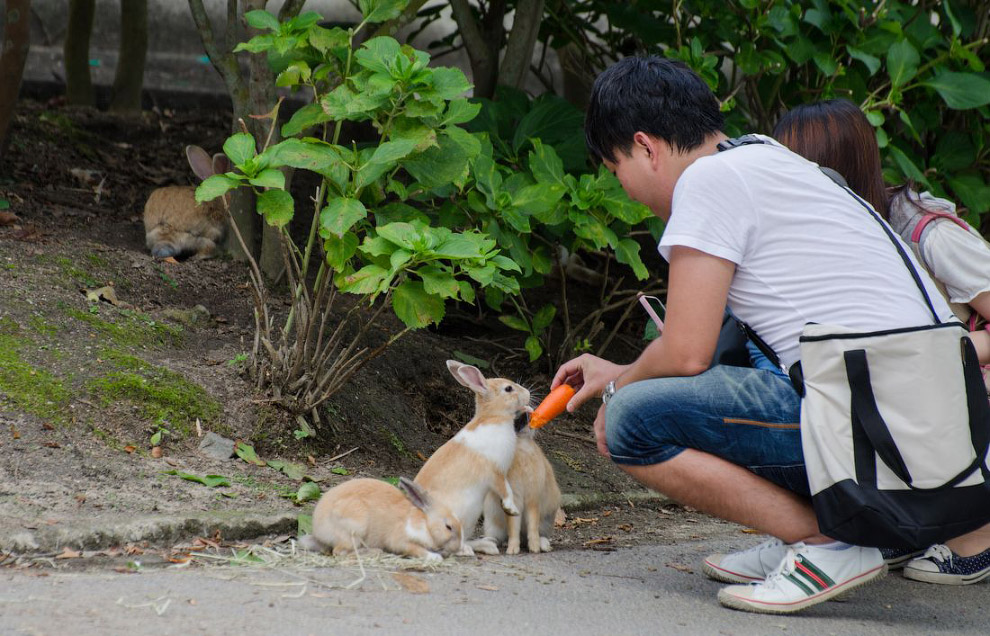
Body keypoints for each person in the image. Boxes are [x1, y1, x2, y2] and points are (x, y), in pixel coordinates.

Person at [551, 55, 957, 614]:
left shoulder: (707, 183)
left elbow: (687, 352)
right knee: (738, 371)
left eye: (616, 169)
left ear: (645, 147)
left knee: (631, 421)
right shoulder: (764, 157)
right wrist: (620, 371)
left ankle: (830, 541)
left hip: (880, 422)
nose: (625, 191)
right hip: (937, 421)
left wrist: (620, 391)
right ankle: (821, 534)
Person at [772, 99, 990, 586]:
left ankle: (978, 535)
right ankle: (905, 523)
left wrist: (952, 355)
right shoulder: (830, 234)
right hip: (915, 382)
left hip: (964, 382)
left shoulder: (926, 232)